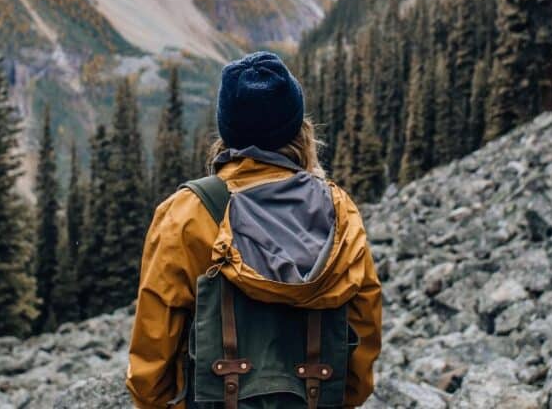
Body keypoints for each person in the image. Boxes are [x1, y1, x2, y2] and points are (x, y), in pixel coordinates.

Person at [127, 51, 382, 408]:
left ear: (226, 131)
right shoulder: (340, 212)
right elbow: (363, 330)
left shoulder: (185, 214)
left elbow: (152, 356)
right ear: (299, 129)